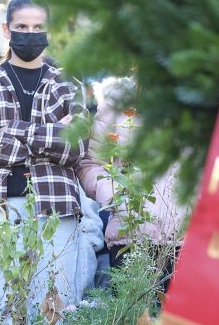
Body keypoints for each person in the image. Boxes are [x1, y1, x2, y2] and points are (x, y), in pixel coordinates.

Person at [0, 0, 91, 324]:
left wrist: (11, 130)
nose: (30, 34)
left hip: (55, 211)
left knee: (52, 310)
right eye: (22, 26)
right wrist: (49, 132)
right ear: (6, 30)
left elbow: (76, 147)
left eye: (38, 27)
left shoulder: (67, 84)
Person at [76, 77, 187, 285]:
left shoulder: (200, 98)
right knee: (132, 317)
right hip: (130, 238)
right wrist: (112, 193)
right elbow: (90, 163)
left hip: (188, 241)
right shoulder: (119, 100)